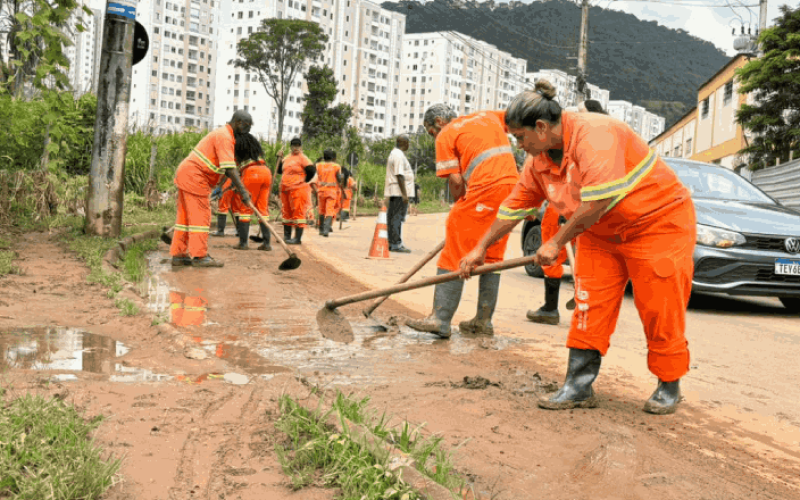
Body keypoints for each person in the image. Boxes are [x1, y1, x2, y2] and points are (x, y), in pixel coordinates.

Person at [459, 81, 696, 415]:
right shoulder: (538, 161)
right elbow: (514, 207)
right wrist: (480, 248)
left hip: (656, 223)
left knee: (659, 304)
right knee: (589, 303)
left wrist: (556, 241)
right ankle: (578, 386)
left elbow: (599, 198)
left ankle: (669, 383)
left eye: (519, 137)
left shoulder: (596, 134)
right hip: (600, 234)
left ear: (540, 127)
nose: (519, 145)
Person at [406, 105, 520, 338]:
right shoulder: (487, 115)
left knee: (455, 245)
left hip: (487, 187)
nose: (434, 137)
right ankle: (483, 321)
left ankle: (440, 318)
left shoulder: (446, 134)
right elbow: (519, 117)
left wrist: (461, 203)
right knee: (492, 254)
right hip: (514, 188)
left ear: (438, 122)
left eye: (431, 132)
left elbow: (456, 180)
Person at [170, 110, 253, 268]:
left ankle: (179, 254)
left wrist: (223, 186)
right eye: (247, 126)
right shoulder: (225, 136)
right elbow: (229, 168)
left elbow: (225, 167)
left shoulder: (223, 134)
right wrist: (243, 191)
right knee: (201, 217)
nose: (248, 130)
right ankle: (200, 256)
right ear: (239, 122)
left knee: (185, 218)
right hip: (195, 177)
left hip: (187, 174)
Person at [526, 201, 576, 325]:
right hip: (581, 207)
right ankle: (587, 312)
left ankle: (550, 309)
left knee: (551, 256)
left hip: (561, 206)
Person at [229, 133, 273, 251]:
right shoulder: (254, 147)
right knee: (262, 210)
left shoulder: (239, 147)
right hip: (266, 172)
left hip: (251, 173)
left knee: (245, 209)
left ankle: (243, 244)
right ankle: (267, 244)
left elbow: (232, 166)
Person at [277, 137, 315, 245]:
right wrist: (278, 159)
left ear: (300, 147)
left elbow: (311, 171)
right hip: (285, 189)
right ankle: (287, 236)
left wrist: (303, 181)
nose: (296, 148)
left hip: (298, 189)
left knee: (298, 212)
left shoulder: (303, 158)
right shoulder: (287, 158)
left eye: (298, 145)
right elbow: (279, 170)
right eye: (294, 145)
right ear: (291, 146)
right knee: (286, 212)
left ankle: (297, 238)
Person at [384, 135, 415, 253]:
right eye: (408, 143)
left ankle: (392, 242)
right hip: (398, 192)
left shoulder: (395, 153)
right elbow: (399, 174)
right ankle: (396, 243)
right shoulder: (398, 155)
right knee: (397, 217)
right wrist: (404, 194)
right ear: (404, 142)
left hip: (396, 191)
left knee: (393, 217)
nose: (409, 145)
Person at [316, 150, 344, 237]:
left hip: (321, 191)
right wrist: (341, 177)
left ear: (324, 157)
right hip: (331, 191)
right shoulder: (336, 166)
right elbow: (339, 180)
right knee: (329, 210)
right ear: (333, 157)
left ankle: (320, 229)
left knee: (321, 210)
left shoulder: (319, 165)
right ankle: (326, 230)